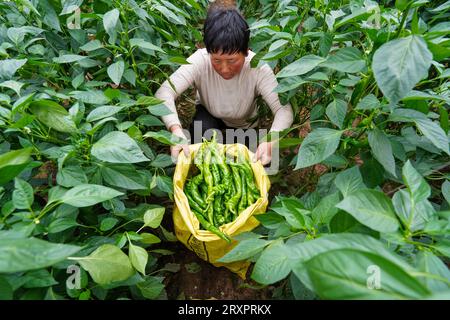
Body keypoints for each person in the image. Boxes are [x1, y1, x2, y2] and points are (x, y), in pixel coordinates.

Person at [155, 0, 293, 165]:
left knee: (253, 161)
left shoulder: (258, 67)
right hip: (210, 113)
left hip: (244, 123)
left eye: (232, 60)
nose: (225, 68)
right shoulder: (200, 60)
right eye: (217, 60)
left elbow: (283, 109)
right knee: (202, 136)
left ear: (246, 51)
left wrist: (271, 140)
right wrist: (175, 129)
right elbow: (164, 92)